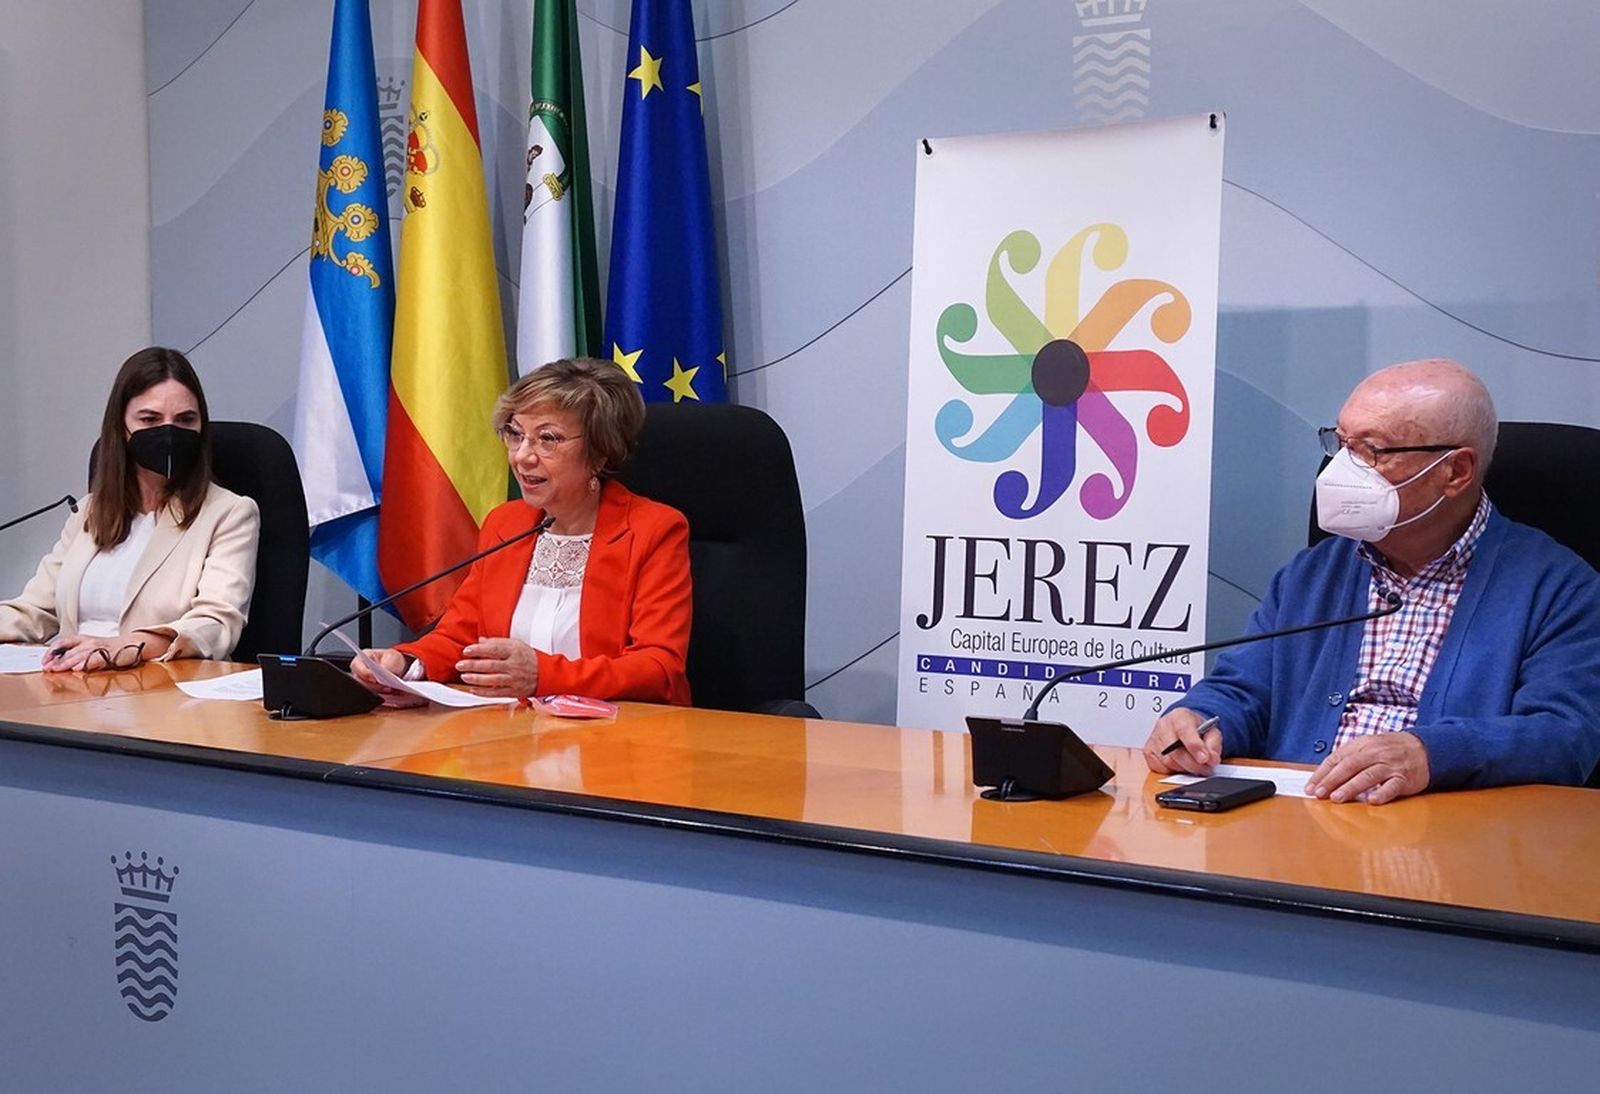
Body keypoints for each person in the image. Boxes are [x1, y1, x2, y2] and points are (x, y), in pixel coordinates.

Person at [1143, 359, 1600, 803]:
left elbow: (1564, 735)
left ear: (1455, 472)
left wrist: (1431, 754)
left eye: (1370, 450)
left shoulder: (1560, 588)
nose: (1341, 468)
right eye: (1341, 444)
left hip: (1449, 842)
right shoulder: (1313, 574)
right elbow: (1244, 689)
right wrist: (1199, 720)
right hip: (1298, 827)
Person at [353, 357, 692, 704]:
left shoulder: (654, 531)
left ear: (600, 453)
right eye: (515, 435)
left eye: (547, 439)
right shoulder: (506, 525)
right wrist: (407, 662)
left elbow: (658, 668)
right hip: (513, 736)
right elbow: (461, 637)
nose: (522, 456)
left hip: (620, 739)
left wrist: (541, 676)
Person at [0, 347, 260, 669]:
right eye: (150, 419)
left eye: (185, 420)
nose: (168, 433)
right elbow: (36, 611)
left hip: (160, 692)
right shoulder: (91, 511)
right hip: (71, 688)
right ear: (120, 427)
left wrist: (119, 646)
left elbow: (215, 623)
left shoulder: (229, 513)